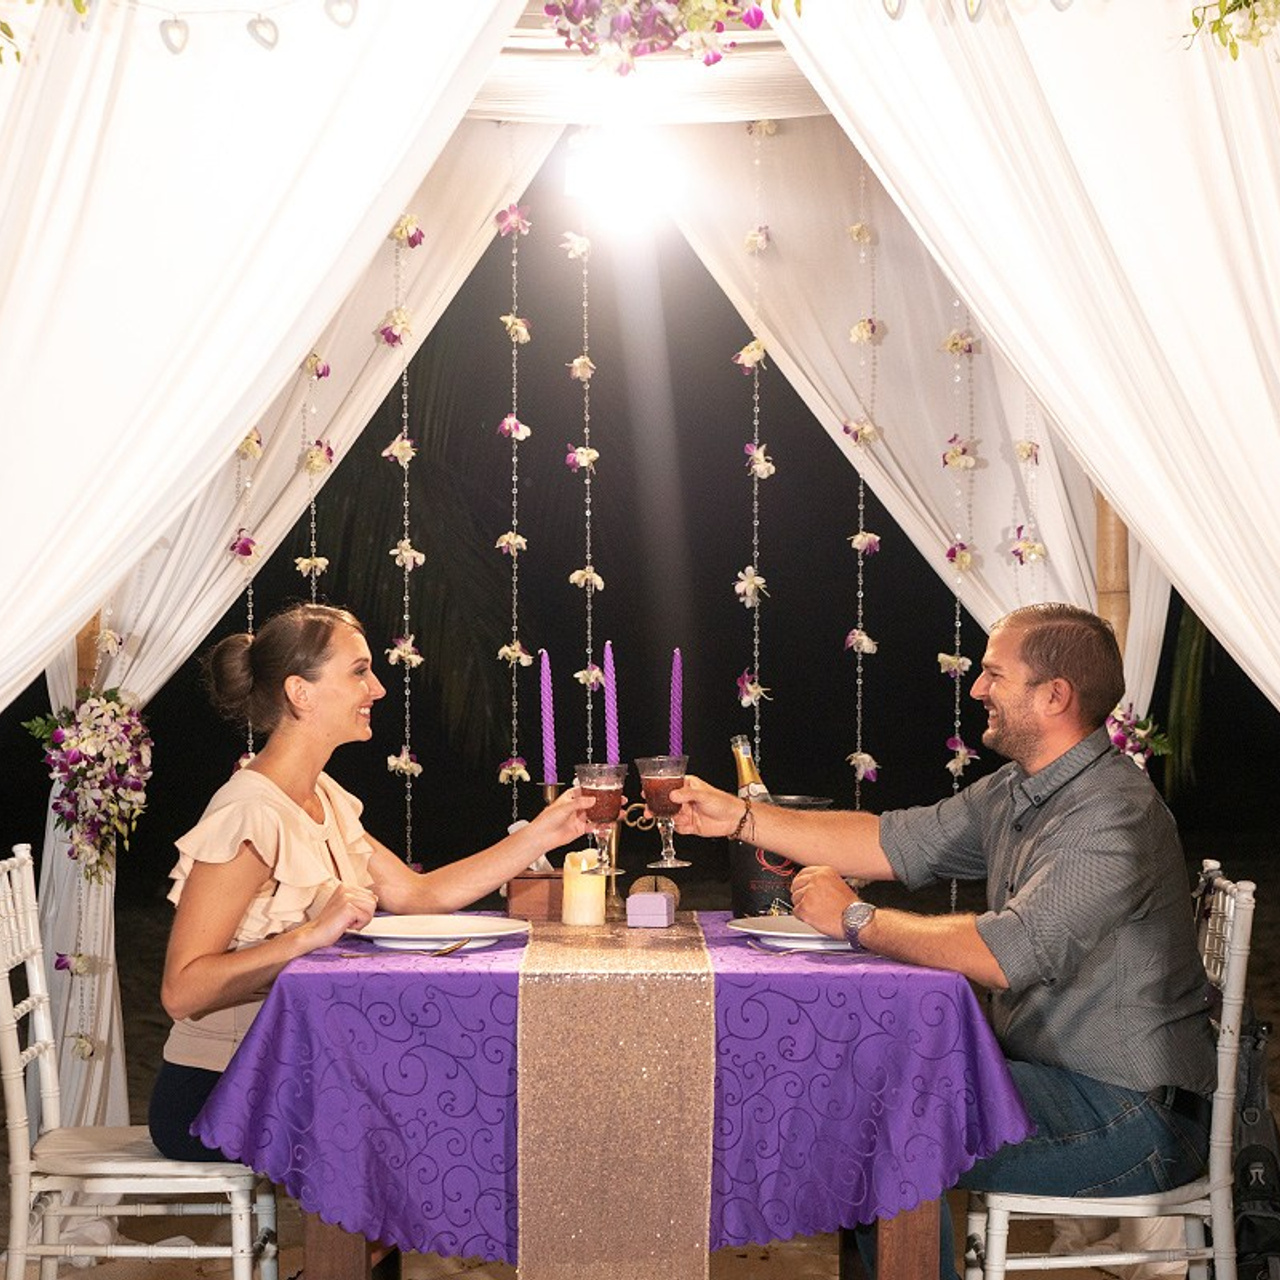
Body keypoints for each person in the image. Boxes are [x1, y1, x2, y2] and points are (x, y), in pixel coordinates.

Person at [671, 603, 1215, 1278]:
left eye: (994, 675)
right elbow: (892, 841)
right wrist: (739, 818)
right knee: (866, 1093)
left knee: (879, 1130)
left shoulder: (1111, 813)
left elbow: (1001, 954)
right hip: (1058, 1084)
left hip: (1134, 1119)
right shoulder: (1027, 788)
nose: (978, 689)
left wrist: (858, 920)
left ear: (1054, 696)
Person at [148, 603, 595, 1161]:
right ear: (300, 693)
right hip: (219, 1092)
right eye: (359, 671)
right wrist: (309, 935)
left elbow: (417, 895)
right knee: (422, 1116)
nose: (378, 689)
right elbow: (182, 991)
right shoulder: (248, 814)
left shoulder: (323, 797)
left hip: (291, 1067)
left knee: (449, 1091)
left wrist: (542, 836)